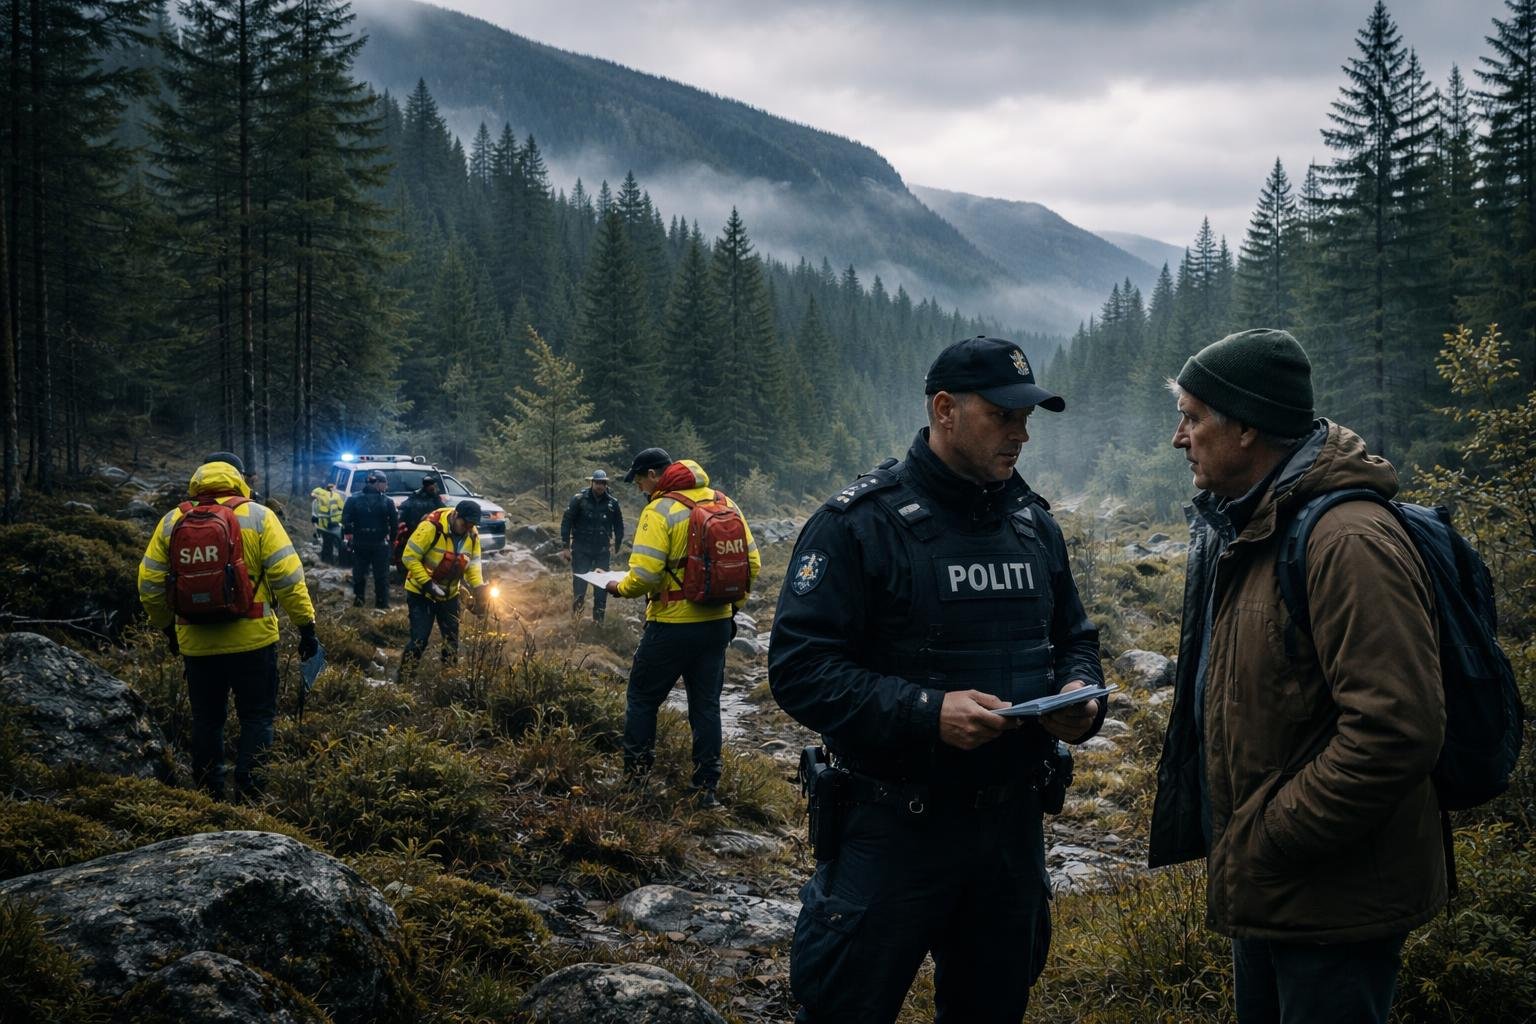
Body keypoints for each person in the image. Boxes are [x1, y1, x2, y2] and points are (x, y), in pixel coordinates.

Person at [768, 336, 1105, 1024]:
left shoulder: (1032, 525)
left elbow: (1074, 640)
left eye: (1027, 417)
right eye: (1003, 415)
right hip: (891, 826)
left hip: (1011, 831)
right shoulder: (858, 525)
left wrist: (1079, 697)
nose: (1022, 432)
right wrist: (927, 711)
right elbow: (799, 669)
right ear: (945, 409)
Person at [1149, 329, 1445, 1024]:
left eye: (1193, 418)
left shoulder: (1347, 541)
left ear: (1247, 427)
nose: (1177, 438)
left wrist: (1271, 837)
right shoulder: (1253, 527)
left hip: (1331, 902)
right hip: (1275, 892)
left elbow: (1396, 731)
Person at [137, 451, 318, 801]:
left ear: (199, 477)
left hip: (196, 642)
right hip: (254, 640)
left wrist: (167, 629)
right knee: (257, 719)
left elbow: (148, 585)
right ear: (239, 477)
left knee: (207, 720)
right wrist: (306, 626)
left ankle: (208, 798)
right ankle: (250, 797)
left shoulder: (171, 521)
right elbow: (289, 578)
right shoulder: (259, 516)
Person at [603, 447, 760, 808]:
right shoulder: (725, 502)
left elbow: (644, 574)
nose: (640, 487)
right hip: (718, 625)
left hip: (671, 625)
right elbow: (753, 563)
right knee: (706, 706)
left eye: (640, 479)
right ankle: (706, 788)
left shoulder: (659, 510)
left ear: (656, 475)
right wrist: (732, 607)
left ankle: (635, 781)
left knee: (642, 699)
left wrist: (619, 587)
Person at [399, 498, 487, 679]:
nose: (468, 528)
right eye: (465, 523)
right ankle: (404, 679)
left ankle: (449, 680)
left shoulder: (472, 534)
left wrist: (478, 589)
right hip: (420, 592)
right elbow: (408, 557)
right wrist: (427, 583)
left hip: (449, 594)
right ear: (455, 515)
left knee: (452, 642)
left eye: (472, 525)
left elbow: (473, 564)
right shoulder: (431, 527)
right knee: (419, 640)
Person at [561, 468, 624, 622]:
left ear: (606, 484)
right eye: (597, 482)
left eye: (602, 483)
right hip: (581, 549)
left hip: (601, 551)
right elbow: (567, 521)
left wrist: (617, 544)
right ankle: (576, 622)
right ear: (592, 482)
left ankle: (598, 623)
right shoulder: (579, 499)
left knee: (602, 588)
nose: (599, 486)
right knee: (580, 587)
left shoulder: (612, 503)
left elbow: (619, 525)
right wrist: (565, 547)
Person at [342, 470, 399, 609]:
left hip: (374, 542)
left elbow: (393, 523)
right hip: (366, 542)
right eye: (385, 483)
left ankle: (377, 602)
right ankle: (368, 601)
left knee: (373, 575)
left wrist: (391, 541)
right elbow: (346, 519)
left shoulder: (385, 501)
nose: (387, 486)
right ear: (377, 483)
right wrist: (392, 541)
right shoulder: (357, 499)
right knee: (366, 574)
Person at [310, 481, 344, 565]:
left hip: (323, 526)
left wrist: (316, 527)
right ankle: (339, 562)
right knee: (339, 544)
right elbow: (342, 509)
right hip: (335, 526)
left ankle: (327, 562)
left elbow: (314, 516)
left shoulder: (316, 501)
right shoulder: (336, 498)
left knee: (326, 544)